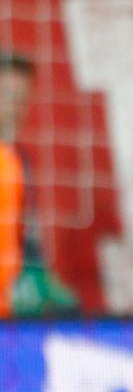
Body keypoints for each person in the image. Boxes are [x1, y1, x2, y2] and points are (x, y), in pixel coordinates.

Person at [0, 51, 78, 317]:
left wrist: (36, 273)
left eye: (22, 99)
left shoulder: (19, 160)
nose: (16, 106)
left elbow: (26, 231)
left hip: (10, 302)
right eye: (8, 96)